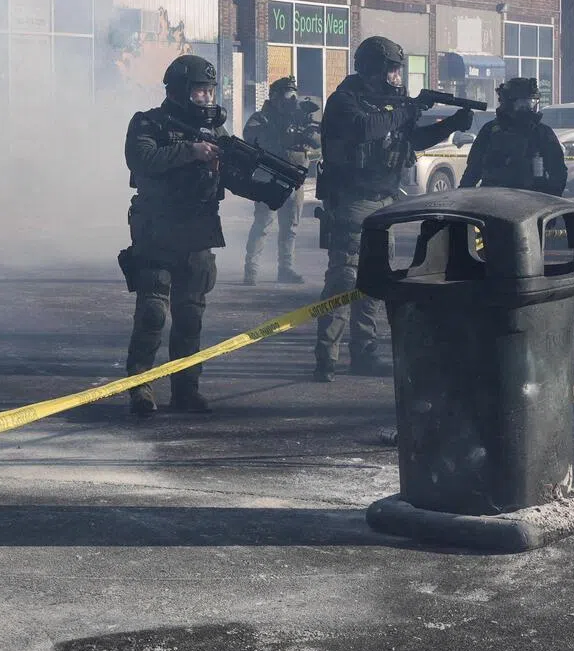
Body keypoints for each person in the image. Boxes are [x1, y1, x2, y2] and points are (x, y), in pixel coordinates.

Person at [313, 37, 473, 382]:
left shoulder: (392, 105)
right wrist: (410, 109)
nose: (397, 76)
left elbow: (410, 140)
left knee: (374, 281)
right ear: (371, 69)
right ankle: (326, 358)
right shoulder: (345, 102)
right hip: (353, 200)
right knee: (343, 279)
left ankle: (365, 353)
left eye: (398, 69)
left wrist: (450, 126)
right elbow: (363, 129)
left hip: (385, 202)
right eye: (391, 69)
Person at [120, 55, 227, 418]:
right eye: (200, 91)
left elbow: (236, 173)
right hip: (157, 231)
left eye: (210, 91)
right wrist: (191, 151)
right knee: (152, 313)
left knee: (190, 317)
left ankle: (186, 388)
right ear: (180, 91)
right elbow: (142, 159)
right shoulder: (148, 123)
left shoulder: (216, 131)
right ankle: (141, 388)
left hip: (197, 233)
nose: (206, 98)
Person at [242, 76, 321, 285]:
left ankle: (286, 269)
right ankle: (251, 269)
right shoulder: (262, 118)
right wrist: (282, 135)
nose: (290, 99)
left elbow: (317, 144)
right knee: (262, 224)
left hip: (295, 179)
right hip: (269, 178)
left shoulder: (299, 118)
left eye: (293, 94)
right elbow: (251, 137)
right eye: (286, 94)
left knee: (290, 227)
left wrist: (308, 137)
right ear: (274, 97)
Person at [459, 77, 567, 195]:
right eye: (522, 102)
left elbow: (558, 172)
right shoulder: (490, 131)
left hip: (532, 202)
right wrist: (462, 198)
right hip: (494, 200)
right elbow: (473, 171)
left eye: (530, 102)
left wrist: (550, 200)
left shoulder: (542, 133)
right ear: (508, 103)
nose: (527, 107)